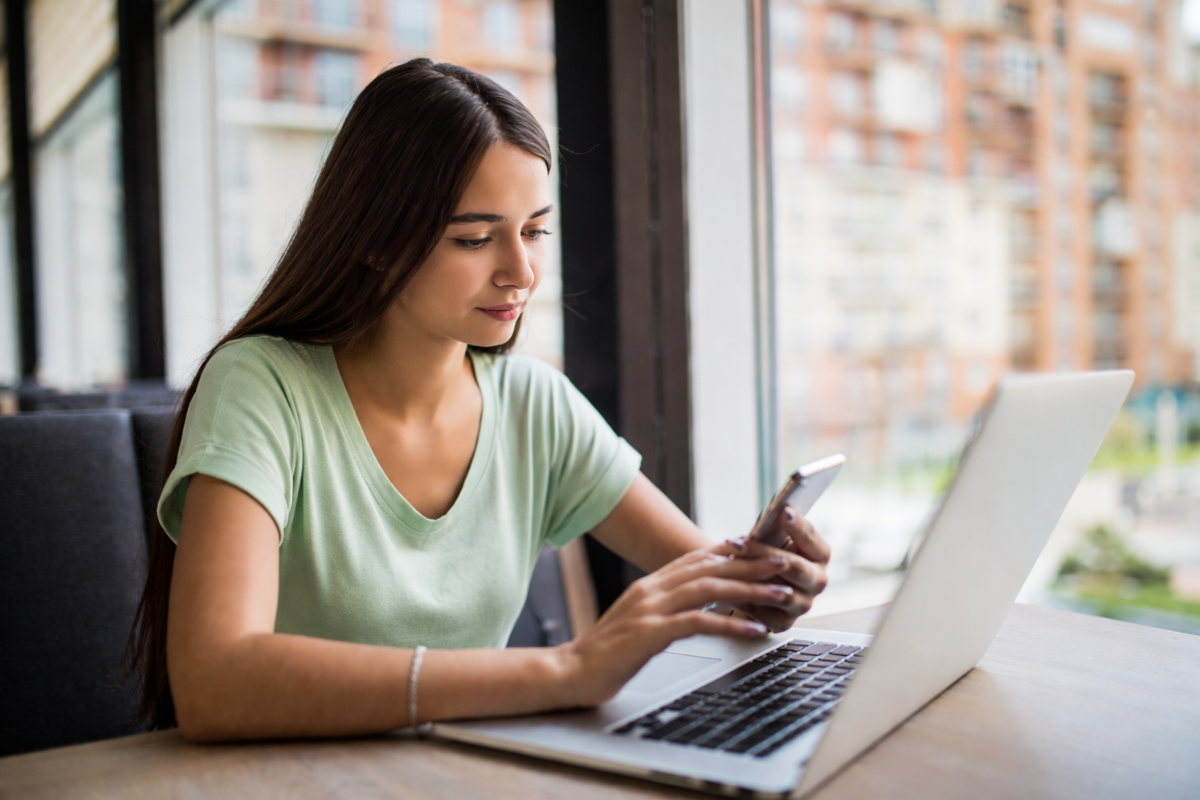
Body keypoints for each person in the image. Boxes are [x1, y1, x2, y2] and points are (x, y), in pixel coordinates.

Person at [130, 59, 830, 742]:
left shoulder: (534, 404)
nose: (521, 272)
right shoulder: (261, 385)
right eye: (473, 238)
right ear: (375, 239)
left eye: (534, 231)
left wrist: (767, 587)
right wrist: (565, 671)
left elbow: (714, 586)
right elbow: (213, 681)